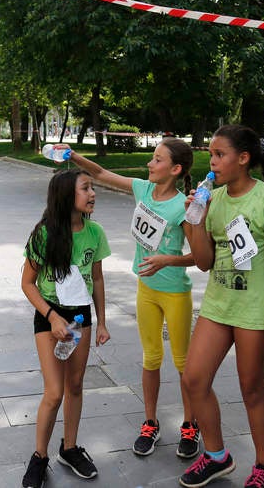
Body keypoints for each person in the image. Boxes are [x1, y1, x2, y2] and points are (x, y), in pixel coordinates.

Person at [60, 138, 201, 459]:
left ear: (175, 169)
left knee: (183, 364)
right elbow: (101, 172)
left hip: (176, 293)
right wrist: (72, 155)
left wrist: (167, 260)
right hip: (146, 290)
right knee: (151, 359)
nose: (150, 164)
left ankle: (190, 425)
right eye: (152, 158)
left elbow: (199, 257)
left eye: (157, 159)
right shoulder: (143, 189)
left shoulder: (183, 206)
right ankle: (150, 422)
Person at [179, 125, 264, 488]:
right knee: (194, 379)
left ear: (243, 159)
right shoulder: (213, 199)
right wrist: (194, 221)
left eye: (219, 155)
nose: (212, 162)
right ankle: (216, 456)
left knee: (252, 390)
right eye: (211, 155)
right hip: (218, 306)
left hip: (255, 313)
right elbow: (204, 262)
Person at [20, 168, 111, 488]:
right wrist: (52, 317)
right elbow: (27, 284)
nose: (92, 193)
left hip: (79, 317)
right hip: (50, 315)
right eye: (85, 188)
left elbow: (97, 278)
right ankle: (39, 456)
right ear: (65, 196)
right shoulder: (44, 235)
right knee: (54, 391)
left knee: (75, 385)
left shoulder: (95, 232)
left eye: (93, 188)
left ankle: (69, 448)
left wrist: (101, 321)